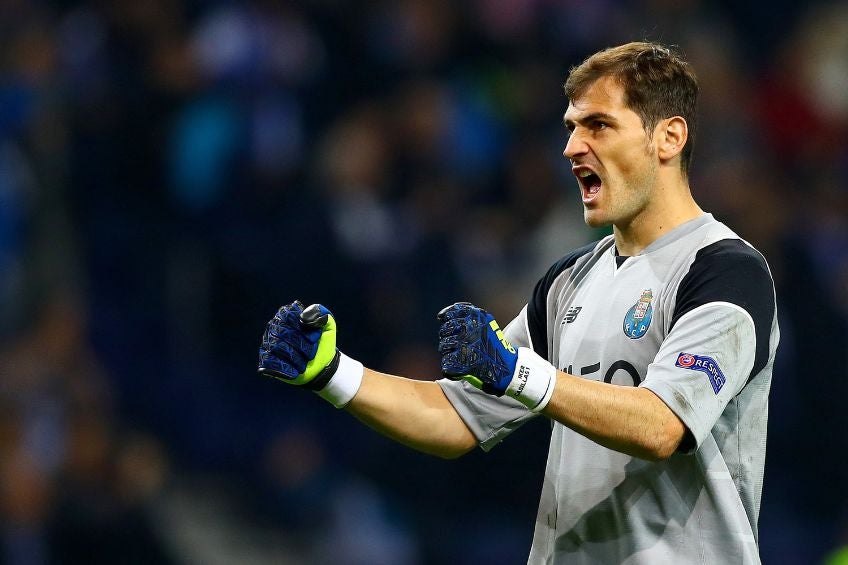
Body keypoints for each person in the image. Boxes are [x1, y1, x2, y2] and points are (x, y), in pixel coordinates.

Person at [258, 41, 779, 564]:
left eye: (598, 125)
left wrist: (523, 376)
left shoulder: (724, 270)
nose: (572, 147)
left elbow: (663, 424)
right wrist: (333, 373)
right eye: (571, 127)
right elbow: (458, 416)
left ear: (668, 137)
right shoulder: (568, 282)